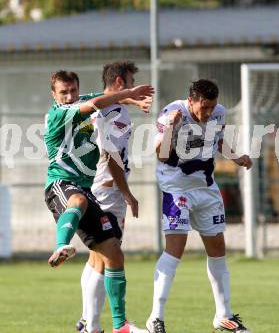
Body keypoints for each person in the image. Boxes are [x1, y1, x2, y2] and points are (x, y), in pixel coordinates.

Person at [44, 69, 153, 333]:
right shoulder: (58, 113)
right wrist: (129, 93)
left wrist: (132, 101)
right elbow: (95, 104)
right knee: (78, 200)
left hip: (86, 189)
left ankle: (119, 326)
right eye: (63, 92)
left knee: (113, 251)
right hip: (60, 184)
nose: (69, 96)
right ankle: (61, 246)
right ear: (54, 95)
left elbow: (104, 96)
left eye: (73, 91)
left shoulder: (81, 100)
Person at [146, 79, 253, 333]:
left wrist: (237, 156)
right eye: (202, 108)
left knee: (217, 248)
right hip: (176, 187)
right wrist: (171, 128)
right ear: (191, 100)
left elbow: (218, 140)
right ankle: (155, 317)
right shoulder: (172, 113)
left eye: (211, 107)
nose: (207, 113)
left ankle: (223, 316)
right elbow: (160, 155)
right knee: (176, 247)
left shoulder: (219, 113)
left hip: (206, 188)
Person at [76, 61, 152, 333]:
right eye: (131, 82)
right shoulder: (117, 113)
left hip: (90, 185)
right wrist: (128, 194)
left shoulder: (95, 107)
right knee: (109, 254)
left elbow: (105, 103)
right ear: (119, 82)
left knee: (96, 256)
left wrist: (131, 100)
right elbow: (112, 157)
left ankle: (87, 321)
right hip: (108, 191)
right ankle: (105, 325)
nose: (134, 87)